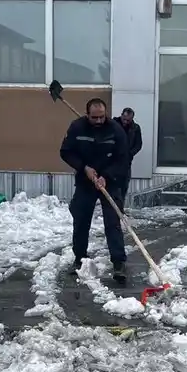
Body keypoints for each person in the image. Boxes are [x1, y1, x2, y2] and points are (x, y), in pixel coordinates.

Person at [60, 97, 130, 281]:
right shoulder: (77, 127)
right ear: (87, 114)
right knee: (81, 220)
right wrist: (84, 167)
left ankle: (118, 263)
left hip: (110, 181)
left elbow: (123, 158)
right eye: (94, 118)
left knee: (112, 222)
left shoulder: (116, 130)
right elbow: (66, 152)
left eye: (101, 117)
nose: (98, 121)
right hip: (86, 180)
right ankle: (80, 259)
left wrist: (106, 176)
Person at [113, 107, 143, 202]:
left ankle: (120, 207)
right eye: (124, 119)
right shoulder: (113, 124)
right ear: (121, 115)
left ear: (132, 119)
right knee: (113, 186)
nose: (125, 122)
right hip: (113, 160)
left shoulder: (135, 128)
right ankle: (112, 207)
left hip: (126, 162)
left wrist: (130, 154)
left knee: (124, 186)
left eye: (128, 120)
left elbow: (138, 144)